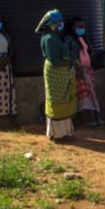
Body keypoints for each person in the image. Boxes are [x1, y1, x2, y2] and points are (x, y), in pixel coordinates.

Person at [36, 9, 79, 142]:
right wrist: (71, 62)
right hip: (56, 72)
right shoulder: (49, 39)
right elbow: (55, 61)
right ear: (51, 23)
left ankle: (62, 132)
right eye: (58, 22)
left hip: (60, 72)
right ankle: (59, 135)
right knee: (58, 100)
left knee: (61, 99)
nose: (60, 24)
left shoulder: (51, 37)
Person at [69, 16, 104, 127]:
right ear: (73, 27)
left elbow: (89, 51)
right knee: (84, 93)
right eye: (79, 26)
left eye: (83, 26)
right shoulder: (69, 39)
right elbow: (68, 55)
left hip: (87, 69)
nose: (82, 28)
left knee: (92, 93)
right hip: (78, 70)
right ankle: (88, 118)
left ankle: (95, 117)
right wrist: (76, 67)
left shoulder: (84, 38)